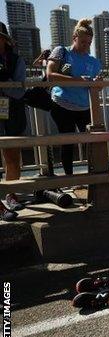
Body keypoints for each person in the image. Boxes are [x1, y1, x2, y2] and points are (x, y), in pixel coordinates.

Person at [46, 19, 102, 176]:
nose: (86, 45)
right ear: (74, 38)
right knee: (68, 143)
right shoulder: (61, 51)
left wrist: (98, 83)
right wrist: (78, 80)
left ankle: (93, 178)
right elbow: (50, 76)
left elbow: (97, 87)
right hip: (62, 105)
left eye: (89, 43)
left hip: (84, 107)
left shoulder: (94, 61)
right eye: (83, 42)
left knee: (90, 143)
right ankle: (69, 178)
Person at [0, 22, 26, 221]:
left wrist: (4, 84)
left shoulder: (16, 60)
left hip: (12, 112)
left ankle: (12, 193)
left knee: (12, 156)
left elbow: (19, 91)